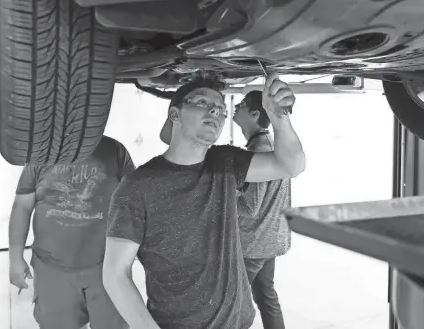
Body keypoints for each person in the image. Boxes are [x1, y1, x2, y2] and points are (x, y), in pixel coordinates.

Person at [103, 74, 305, 329]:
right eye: (201, 102)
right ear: (175, 114)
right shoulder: (136, 187)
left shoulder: (225, 163)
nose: (215, 111)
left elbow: (291, 165)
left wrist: (279, 117)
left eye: (221, 109)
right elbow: (115, 274)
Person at [9, 135, 135, 329]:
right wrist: (15, 259)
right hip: (52, 270)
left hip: (107, 267)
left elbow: (134, 200)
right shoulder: (41, 153)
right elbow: (22, 207)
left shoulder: (114, 151)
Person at [233, 90, 291, 329]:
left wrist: (218, 196)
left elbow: (249, 206)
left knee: (231, 304)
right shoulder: (269, 144)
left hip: (254, 244)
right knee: (266, 297)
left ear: (255, 113)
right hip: (271, 239)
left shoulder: (258, 152)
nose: (236, 106)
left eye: (243, 104)